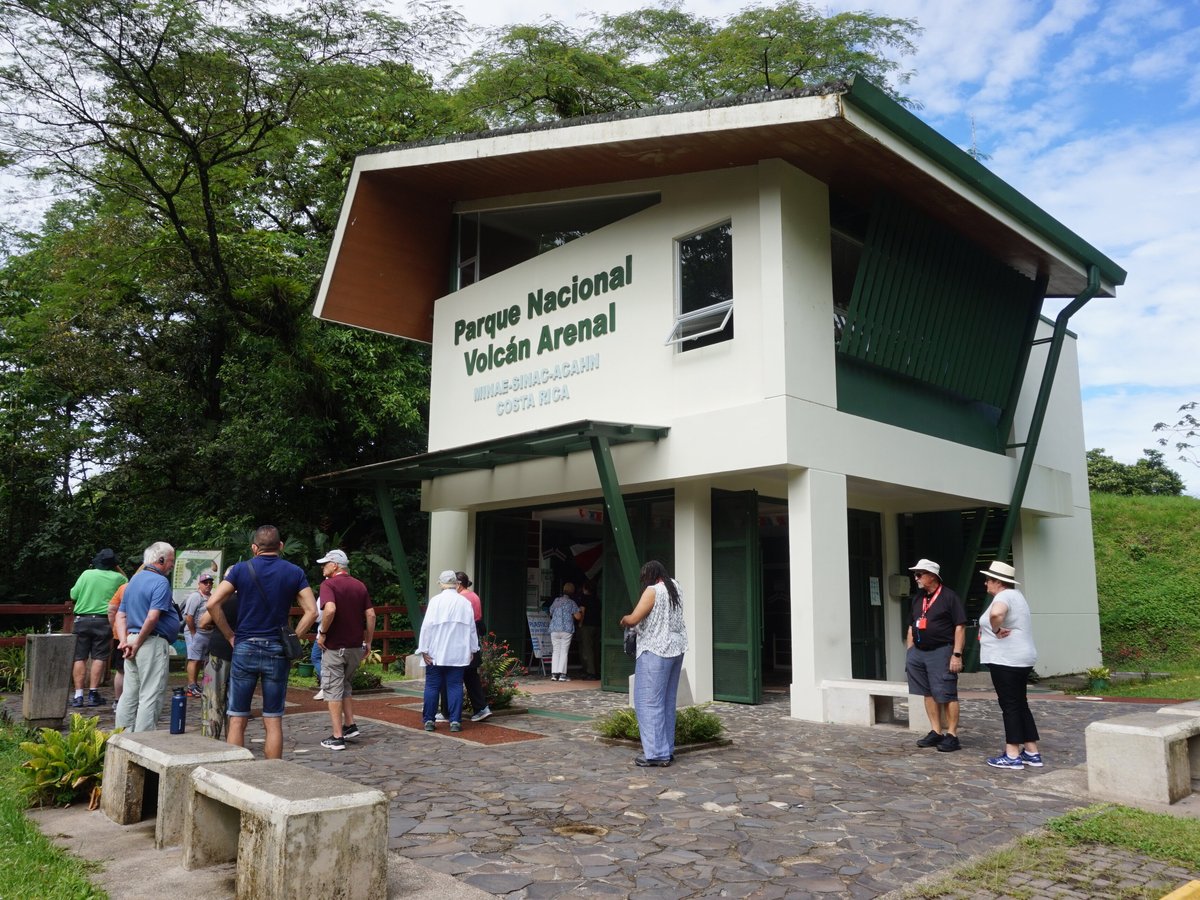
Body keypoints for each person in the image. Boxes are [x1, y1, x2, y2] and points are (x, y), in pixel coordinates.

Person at [207, 525, 317, 759]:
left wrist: (230, 636)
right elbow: (312, 611)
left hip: (245, 646)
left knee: (237, 716)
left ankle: (234, 777)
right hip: (277, 649)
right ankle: (272, 776)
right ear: (281, 546)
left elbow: (212, 604)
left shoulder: (239, 570)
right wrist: (293, 636)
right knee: (273, 718)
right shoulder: (294, 572)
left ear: (254, 548)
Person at [620, 560, 688, 768]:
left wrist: (624, 619)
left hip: (655, 650)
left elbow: (634, 618)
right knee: (667, 701)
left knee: (648, 701)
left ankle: (656, 754)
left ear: (649, 576)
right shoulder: (675, 587)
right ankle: (667, 749)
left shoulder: (653, 591)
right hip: (676, 648)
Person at [978, 561, 1043, 770]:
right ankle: (1032, 751)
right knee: (1019, 703)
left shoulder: (1003, 596)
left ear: (998, 581)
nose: (986, 583)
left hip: (1006, 659)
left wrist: (996, 630)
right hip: (1020, 658)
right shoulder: (1017, 596)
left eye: (988, 579)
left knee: (1010, 705)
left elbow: (996, 614)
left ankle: (1012, 754)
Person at [114, 542, 181, 731]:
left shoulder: (133, 581)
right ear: (160, 560)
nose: (172, 565)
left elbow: (120, 615)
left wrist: (124, 641)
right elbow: (152, 617)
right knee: (150, 695)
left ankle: (122, 737)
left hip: (132, 639)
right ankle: (144, 743)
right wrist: (137, 643)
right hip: (150, 642)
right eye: (170, 561)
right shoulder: (160, 582)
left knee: (129, 694)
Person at [314, 549, 376, 751]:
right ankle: (350, 725)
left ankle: (337, 736)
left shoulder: (328, 585)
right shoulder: (359, 585)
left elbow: (330, 609)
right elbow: (372, 615)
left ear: (335, 565)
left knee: (332, 690)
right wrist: (368, 641)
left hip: (334, 646)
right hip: (355, 647)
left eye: (325, 564)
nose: (323, 567)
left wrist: (322, 632)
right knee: (345, 684)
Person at [906, 558, 968, 753]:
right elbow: (911, 624)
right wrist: (910, 651)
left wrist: (956, 654)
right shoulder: (918, 598)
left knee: (947, 692)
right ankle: (936, 730)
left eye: (919, 574)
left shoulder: (949, 597)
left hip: (941, 650)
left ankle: (952, 735)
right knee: (928, 692)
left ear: (932, 576)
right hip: (918, 652)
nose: (916, 578)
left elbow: (960, 627)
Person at [416, 570, 479, 732]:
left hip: (435, 652)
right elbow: (472, 629)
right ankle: (455, 721)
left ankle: (429, 720)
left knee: (432, 686)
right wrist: (473, 649)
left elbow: (427, 627)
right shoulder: (464, 603)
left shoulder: (435, 601)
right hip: (458, 653)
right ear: (456, 584)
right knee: (455, 686)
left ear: (441, 584)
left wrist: (423, 649)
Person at [68, 548, 128, 708]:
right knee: (99, 657)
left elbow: (73, 595)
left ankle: (78, 695)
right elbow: (127, 586)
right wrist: (117, 568)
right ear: (114, 564)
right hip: (103, 621)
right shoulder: (118, 578)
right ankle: (93, 693)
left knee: (79, 657)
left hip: (82, 619)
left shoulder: (86, 574)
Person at [438, 571, 491, 723]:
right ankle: (481, 708)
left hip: (458, 641)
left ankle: (448, 712)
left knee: (450, 678)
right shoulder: (474, 596)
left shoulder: (460, 598)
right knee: (471, 677)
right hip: (471, 641)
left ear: (458, 584)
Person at [198, 567, 239, 740]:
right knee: (236, 702)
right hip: (242, 654)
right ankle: (233, 741)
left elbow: (203, 622)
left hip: (219, 651)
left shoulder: (223, 599)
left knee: (213, 700)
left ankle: (210, 741)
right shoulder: (250, 599)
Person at [182, 572, 215, 697]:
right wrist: (193, 633)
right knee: (194, 659)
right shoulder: (196, 597)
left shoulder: (211, 597)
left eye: (210, 583)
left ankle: (198, 684)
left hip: (207, 633)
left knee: (202, 660)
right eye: (205, 583)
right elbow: (188, 616)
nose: (208, 585)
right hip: (195, 631)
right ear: (199, 584)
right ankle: (191, 687)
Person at [547, 582, 582, 682]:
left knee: (556, 651)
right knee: (564, 651)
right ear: (572, 592)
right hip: (566, 629)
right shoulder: (571, 603)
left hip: (554, 629)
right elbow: (578, 616)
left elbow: (551, 612)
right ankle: (562, 675)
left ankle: (554, 674)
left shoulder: (556, 601)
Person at [577, 580, 601, 680]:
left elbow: (582, 612)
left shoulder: (584, 598)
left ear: (585, 588)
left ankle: (590, 672)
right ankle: (597, 670)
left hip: (587, 625)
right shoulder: (597, 599)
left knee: (587, 649)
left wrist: (580, 623)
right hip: (597, 625)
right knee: (596, 648)